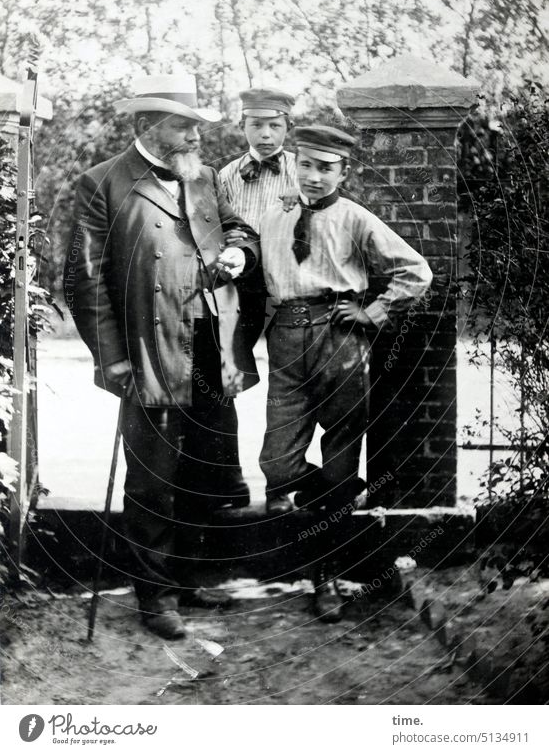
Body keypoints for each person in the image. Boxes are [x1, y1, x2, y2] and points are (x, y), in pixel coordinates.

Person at [64, 74, 260, 639]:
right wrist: (113, 360)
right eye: (183, 125)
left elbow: (237, 227)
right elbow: (85, 281)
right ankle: (156, 596)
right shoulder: (101, 183)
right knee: (152, 476)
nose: (195, 135)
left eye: (196, 125)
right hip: (148, 348)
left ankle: (193, 577)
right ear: (146, 126)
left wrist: (239, 255)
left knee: (205, 466)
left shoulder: (200, 179)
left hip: (207, 338)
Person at [259, 125, 433, 620]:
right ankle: (346, 497)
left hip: (341, 336)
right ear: (294, 163)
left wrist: (374, 313)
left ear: (343, 171)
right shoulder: (274, 215)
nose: (314, 176)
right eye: (307, 164)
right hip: (287, 336)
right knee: (278, 463)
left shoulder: (355, 218)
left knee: (338, 459)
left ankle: (326, 581)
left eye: (326, 167)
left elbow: (415, 271)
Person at [219, 87, 299, 348]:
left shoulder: (303, 172)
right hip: (244, 283)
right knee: (231, 356)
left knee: (289, 358)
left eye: (275, 125)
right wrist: (225, 235)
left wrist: (303, 200)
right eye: (256, 125)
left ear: (289, 126)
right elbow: (215, 222)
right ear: (243, 126)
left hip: (289, 280)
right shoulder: (227, 175)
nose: (266, 133)